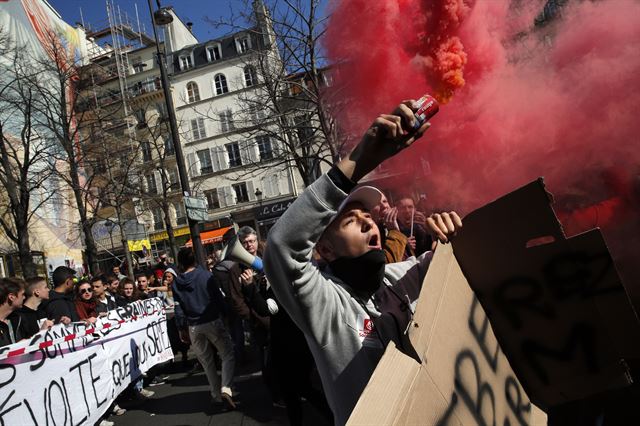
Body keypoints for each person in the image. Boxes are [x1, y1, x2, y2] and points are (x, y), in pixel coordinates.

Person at [263, 99, 462, 424]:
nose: (370, 223)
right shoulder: (325, 303)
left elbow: (453, 263)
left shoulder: (399, 276)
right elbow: (281, 246)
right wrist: (362, 159)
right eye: (352, 221)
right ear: (325, 249)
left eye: (369, 218)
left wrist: (451, 237)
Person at [172, 247, 236, 410]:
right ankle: (226, 388)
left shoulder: (176, 283)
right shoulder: (206, 276)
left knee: (207, 362)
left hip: (193, 326)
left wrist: (181, 328)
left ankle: (216, 395)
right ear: (195, 260)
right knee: (227, 354)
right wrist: (227, 314)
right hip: (212, 320)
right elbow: (218, 299)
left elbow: (178, 308)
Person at [371, 192, 410, 263]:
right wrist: (394, 232)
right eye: (377, 203)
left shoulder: (400, 225)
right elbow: (386, 264)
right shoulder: (370, 238)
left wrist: (405, 245)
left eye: (385, 201)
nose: (384, 206)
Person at [0, 278, 26, 347]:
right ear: (11, 297)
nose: (24, 297)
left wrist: (42, 333)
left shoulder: (16, 319)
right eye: (22, 294)